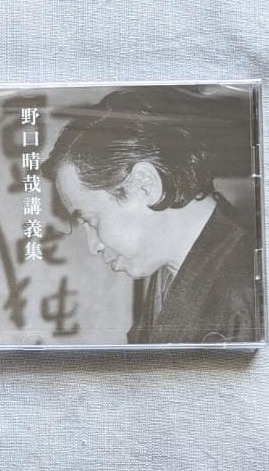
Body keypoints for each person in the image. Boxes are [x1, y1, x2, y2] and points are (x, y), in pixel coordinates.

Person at [40, 89, 260, 344]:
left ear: (145, 185)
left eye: (90, 220)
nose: (93, 246)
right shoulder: (170, 270)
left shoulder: (249, 289)